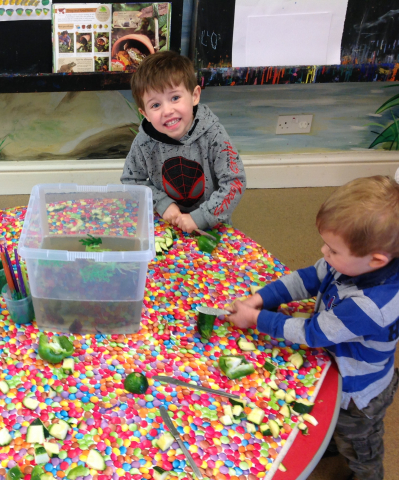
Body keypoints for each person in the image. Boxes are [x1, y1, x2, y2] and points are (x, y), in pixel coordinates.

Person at [227, 176, 399, 480]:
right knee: (331, 423)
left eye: (332, 250)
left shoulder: (372, 305)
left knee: (360, 447)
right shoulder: (350, 261)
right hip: (342, 366)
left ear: (376, 260)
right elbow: (308, 277)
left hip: (359, 393)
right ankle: (332, 442)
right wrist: (260, 298)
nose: (323, 251)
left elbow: (313, 333)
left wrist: (256, 319)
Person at [120, 51, 246, 233]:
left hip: (212, 225)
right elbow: (130, 180)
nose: (167, 110)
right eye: (156, 105)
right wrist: (161, 203)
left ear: (194, 96)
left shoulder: (214, 134)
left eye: (175, 98)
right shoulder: (144, 142)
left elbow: (235, 182)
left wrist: (202, 217)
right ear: (145, 114)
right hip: (165, 224)